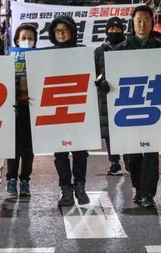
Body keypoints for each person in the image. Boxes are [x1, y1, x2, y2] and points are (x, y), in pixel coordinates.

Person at [115, 6, 161, 209]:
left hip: (153, 107)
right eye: (138, 20)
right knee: (131, 156)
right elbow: (111, 75)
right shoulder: (121, 49)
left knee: (151, 153)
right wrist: (106, 84)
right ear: (132, 23)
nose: (142, 24)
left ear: (152, 22)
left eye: (146, 20)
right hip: (130, 107)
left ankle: (148, 193)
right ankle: (138, 188)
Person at [49, 15, 91, 207]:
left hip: (79, 107)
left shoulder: (83, 52)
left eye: (65, 30)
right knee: (60, 152)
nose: (61, 34)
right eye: (57, 31)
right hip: (56, 108)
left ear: (72, 32)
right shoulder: (47, 56)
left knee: (80, 151)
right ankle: (66, 188)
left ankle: (80, 186)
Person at [6, 23, 37, 198]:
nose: (27, 41)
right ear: (17, 40)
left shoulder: (40, 59)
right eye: (24, 38)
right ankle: (11, 179)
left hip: (32, 109)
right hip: (13, 109)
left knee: (28, 149)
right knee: (13, 147)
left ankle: (25, 179)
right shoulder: (8, 58)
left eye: (31, 38)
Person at [94, 16, 126, 176]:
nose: (114, 31)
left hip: (126, 94)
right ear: (106, 31)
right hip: (106, 96)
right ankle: (114, 162)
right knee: (109, 132)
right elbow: (94, 72)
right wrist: (101, 82)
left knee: (126, 128)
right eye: (111, 29)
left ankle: (129, 159)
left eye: (117, 28)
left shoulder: (129, 48)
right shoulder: (99, 51)